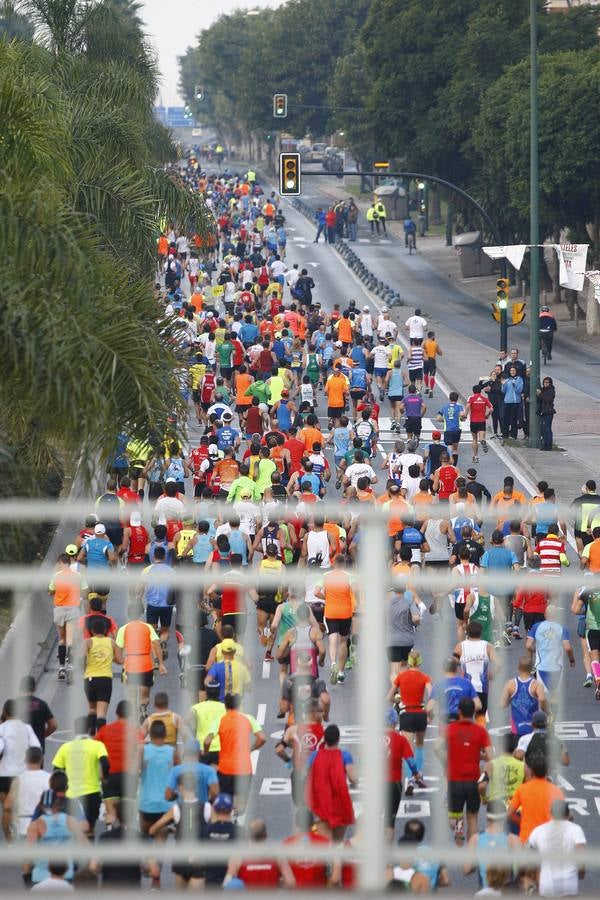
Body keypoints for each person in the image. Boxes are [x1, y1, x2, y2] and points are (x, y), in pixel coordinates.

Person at [436, 697, 492, 845]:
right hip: (473, 779)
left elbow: (436, 747)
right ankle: (472, 850)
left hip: (454, 780)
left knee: (455, 816)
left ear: (459, 712)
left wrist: (446, 760)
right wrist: (480, 755)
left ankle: (458, 828)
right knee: (473, 818)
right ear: (474, 712)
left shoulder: (450, 729)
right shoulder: (480, 732)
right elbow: (490, 756)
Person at [52, 716, 108, 832]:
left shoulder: (65, 747)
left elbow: (56, 770)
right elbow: (105, 763)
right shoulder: (97, 745)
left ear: (75, 730)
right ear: (90, 729)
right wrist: (105, 779)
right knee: (89, 828)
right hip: (92, 793)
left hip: (71, 795)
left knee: (72, 828)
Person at [305, 724, 357, 841]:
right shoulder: (345, 756)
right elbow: (353, 778)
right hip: (340, 802)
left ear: (324, 739)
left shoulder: (315, 755)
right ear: (338, 739)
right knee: (338, 843)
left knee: (325, 843)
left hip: (320, 802)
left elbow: (304, 773)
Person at [528, 799, 586, 897]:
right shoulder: (576, 830)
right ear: (568, 814)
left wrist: (535, 877)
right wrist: (581, 872)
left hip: (546, 886)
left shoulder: (539, 831)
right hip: (569, 887)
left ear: (551, 813)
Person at [463, 799, 521, 891]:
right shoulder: (513, 840)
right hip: (507, 892)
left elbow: (466, 869)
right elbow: (521, 869)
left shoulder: (475, 839)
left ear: (487, 817)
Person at [507, 756, 565, 844]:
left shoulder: (522, 789)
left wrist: (521, 822)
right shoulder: (556, 791)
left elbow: (509, 814)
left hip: (527, 838)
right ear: (547, 771)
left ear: (531, 771)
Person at [537, 376, 556, 451]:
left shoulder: (551, 390)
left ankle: (548, 445)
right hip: (542, 411)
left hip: (548, 411)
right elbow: (539, 400)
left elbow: (548, 399)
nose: (545, 384)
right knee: (542, 428)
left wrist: (540, 394)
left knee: (547, 428)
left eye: (547, 382)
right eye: (544, 382)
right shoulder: (543, 390)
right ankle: (545, 443)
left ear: (550, 383)